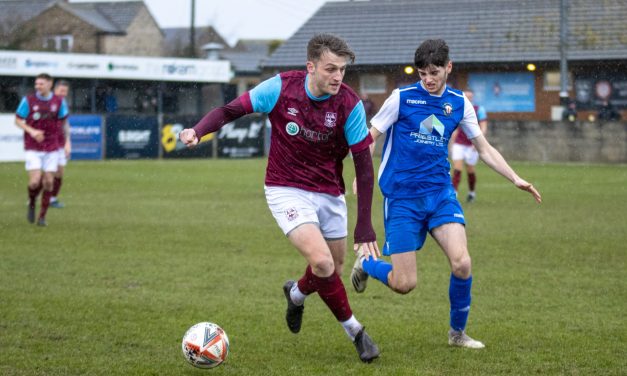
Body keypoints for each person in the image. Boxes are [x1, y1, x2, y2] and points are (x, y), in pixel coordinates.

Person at [179, 33, 381, 362]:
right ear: (310, 66)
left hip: (329, 191)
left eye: (342, 70)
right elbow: (230, 111)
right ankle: (356, 331)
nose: (337, 77)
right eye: (331, 69)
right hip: (285, 187)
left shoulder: (349, 104)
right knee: (323, 263)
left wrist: (365, 226)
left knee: (335, 269)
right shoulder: (279, 88)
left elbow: (363, 168)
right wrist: (198, 130)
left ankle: (297, 293)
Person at [350, 39, 542, 349]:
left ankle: (457, 334)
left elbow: (484, 148)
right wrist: (362, 174)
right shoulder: (401, 98)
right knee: (404, 284)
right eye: (422, 73)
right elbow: (370, 138)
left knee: (462, 263)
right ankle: (366, 263)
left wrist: (515, 178)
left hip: (440, 195)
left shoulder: (459, 103)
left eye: (434, 72)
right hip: (402, 199)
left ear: (448, 68)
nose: (427, 79)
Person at [15, 73, 69, 226]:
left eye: (41, 84)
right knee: (34, 182)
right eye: (36, 84)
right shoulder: (29, 100)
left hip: (52, 147)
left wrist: (67, 142)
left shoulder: (58, 102)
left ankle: (42, 217)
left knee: (49, 183)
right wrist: (32, 131)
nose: (38, 86)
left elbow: (64, 123)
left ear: (50, 84)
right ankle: (32, 202)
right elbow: (18, 120)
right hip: (33, 146)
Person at [450, 88, 488, 202]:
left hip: (472, 144)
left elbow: (483, 126)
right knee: (457, 168)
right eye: (466, 96)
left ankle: (471, 193)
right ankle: (454, 194)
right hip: (459, 144)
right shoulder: (457, 109)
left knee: (470, 170)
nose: (468, 98)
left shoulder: (479, 109)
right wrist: (452, 141)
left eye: (470, 96)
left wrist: (478, 142)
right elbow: (455, 128)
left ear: (473, 97)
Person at [49, 80, 72, 208]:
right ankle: (34, 196)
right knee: (47, 172)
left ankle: (52, 198)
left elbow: (65, 124)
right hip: (47, 143)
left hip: (60, 142)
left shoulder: (63, 104)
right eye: (61, 91)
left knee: (59, 172)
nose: (63, 94)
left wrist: (68, 142)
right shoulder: (47, 101)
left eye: (66, 92)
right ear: (55, 90)